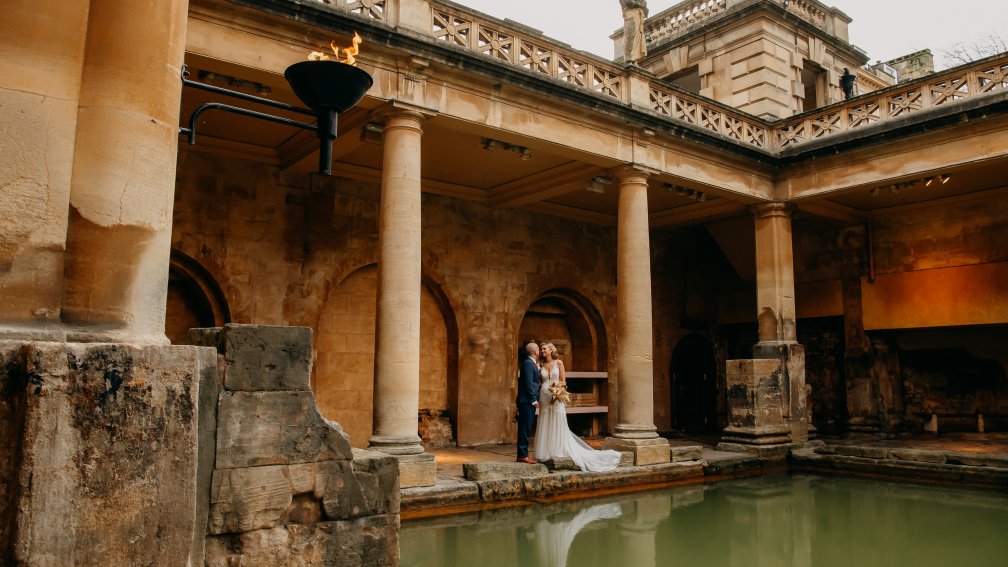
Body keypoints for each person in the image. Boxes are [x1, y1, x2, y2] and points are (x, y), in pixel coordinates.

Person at [534, 343, 622, 472]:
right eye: (541, 349)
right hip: (544, 397)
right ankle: (545, 451)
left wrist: (557, 392)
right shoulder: (541, 365)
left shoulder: (559, 363)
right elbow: (540, 382)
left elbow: (563, 381)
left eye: (544, 349)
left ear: (551, 350)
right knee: (545, 420)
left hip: (556, 397)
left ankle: (557, 449)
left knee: (556, 420)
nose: (542, 351)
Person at [516, 342, 541, 463]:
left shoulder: (530, 363)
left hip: (526, 401)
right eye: (539, 350)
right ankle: (522, 455)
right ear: (536, 351)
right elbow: (529, 383)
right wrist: (534, 400)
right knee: (525, 428)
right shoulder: (528, 363)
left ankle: (522, 454)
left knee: (526, 427)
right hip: (526, 401)